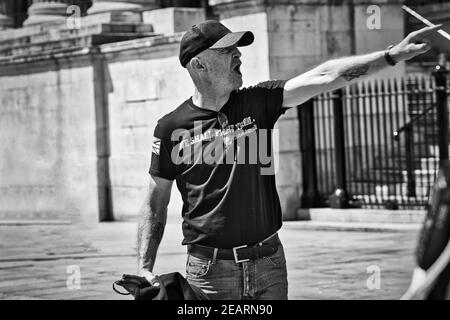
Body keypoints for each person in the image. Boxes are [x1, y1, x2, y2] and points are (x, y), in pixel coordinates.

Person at [136, 20, 440, 300]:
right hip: (210, 274)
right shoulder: (171, 128)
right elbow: (155, 201)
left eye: (237, 48)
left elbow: (325, 76)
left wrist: (391, 55)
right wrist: (144, 267)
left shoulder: (259, 102)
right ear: (199, 64)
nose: (238, 55)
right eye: (227, 50)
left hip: (269, 265)